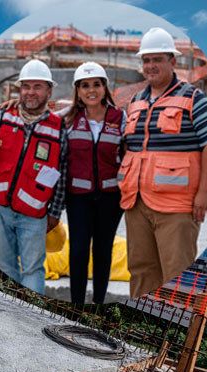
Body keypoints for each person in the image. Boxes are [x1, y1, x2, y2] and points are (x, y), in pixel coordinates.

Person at [118, 27, 207, 298]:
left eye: (157, 59)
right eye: (146, 60)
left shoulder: (192, 98)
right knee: (140, 269)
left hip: (176, 205)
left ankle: (172, 331)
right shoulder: (136, 102)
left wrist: (203, 193)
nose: (151, 66)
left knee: (176, 273)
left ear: (172, 62)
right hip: (136, 202)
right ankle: (137, 324)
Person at [0, 59, 66, 295]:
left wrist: (54, 213)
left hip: (34, 212)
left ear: (49, 90)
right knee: (4, 266)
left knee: (33, 269)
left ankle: (30, 313)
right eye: (26, 86)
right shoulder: (3, 114)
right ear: (19, 89)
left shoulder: (58, 128)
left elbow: (63, 173)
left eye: (37, 87)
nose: (31, 92)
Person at [63, 62, 126, 304]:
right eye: (85, 85)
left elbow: (129, 153)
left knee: (103, 251)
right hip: (78, 196)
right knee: (78, 250)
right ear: (77, 90)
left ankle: (98, 302)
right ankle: (76, 304)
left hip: (111, 197)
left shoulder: (119, 118)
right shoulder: (68, 120)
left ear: (104, 87)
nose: (91, 90)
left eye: (96, 85)